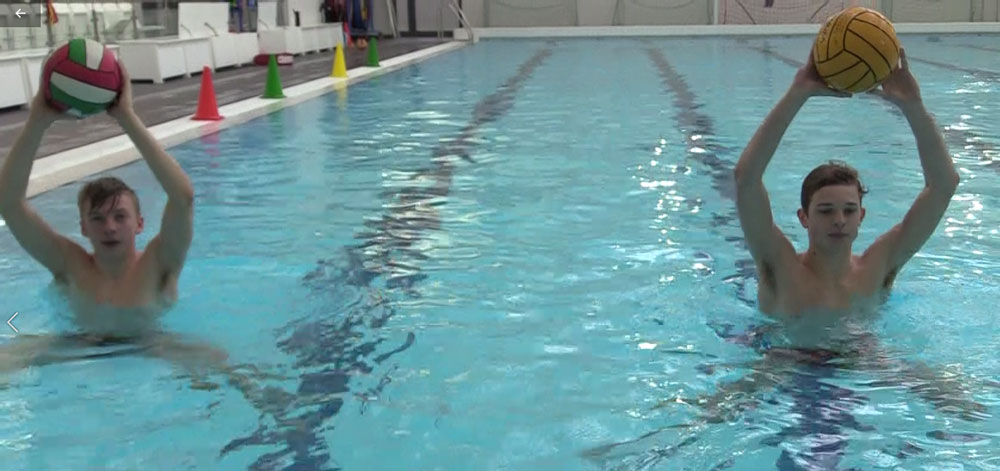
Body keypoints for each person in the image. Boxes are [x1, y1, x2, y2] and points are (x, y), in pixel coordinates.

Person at [0, 65, 222, 381]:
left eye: (120, 217)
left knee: (225, 368)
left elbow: (183, 196)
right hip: (78, 347)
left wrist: (126, 117)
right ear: (83, 228)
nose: (110, 227)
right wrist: (38, 119)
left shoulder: (160, 263)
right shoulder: (69, 264)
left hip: (153, 347)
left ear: (140, 224)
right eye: (98, 218)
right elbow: (9, 203)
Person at [733, 47, 960, 318]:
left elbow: (943, 185)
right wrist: (797, 94)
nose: (839, 220)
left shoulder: (877, 268)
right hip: (786, 359)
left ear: (861, 215)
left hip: (864, 359)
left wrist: (913, 107)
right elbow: (746, 179)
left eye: (849, 210)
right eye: (826, 210)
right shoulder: (781, 269)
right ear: (803, 217)